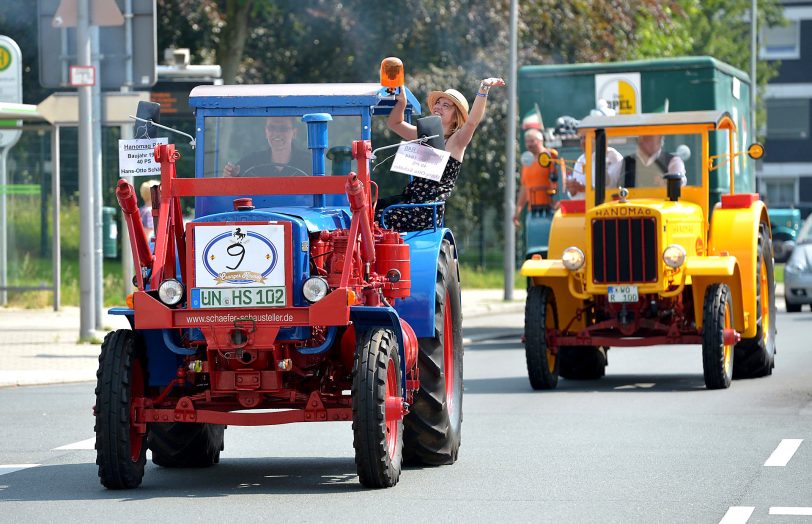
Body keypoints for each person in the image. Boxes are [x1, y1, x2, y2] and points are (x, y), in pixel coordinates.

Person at [378, 77, 506, 231]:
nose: (438, 107)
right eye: (438, 103)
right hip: (408, 200)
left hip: (425, 210)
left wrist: (484, 87)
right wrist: (402, 103)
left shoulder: (456, 140)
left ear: (455, 115)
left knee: (379, 218)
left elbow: (472, 122)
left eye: (446, 105)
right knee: (368, 210)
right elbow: (394, 123)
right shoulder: (425, 134)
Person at [223, 116, 311, 177]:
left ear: (294, 133)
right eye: (272, 128)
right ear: (266, 132)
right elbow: (232, 189)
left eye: (283, 128)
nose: (277, 134)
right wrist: (230, 175)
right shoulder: (251, 162)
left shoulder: (309, 163)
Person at [513, 128, 559, 227]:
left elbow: (559, 181)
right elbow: (524, 187)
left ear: (541, 141)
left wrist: (557, 202)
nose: (529, 144)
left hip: (551, 210)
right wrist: (518, 210)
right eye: (527, 142)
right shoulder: (527, 162)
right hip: (533, 210)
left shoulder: (551, 156)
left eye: (532, 141)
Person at [566, 134, 624, 200]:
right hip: (581, 207)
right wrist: (572, 190)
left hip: (604, 207)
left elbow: (609, 188)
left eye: (586, 137)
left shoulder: (612, 156)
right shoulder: (580, 160)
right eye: (581, 138)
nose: (583, 142)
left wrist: (583, 188)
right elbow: (575, 194)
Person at [621, 134, 686, 188]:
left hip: (662, 202)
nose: (649, 140)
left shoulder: (673, 161)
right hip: (631, 202)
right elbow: (614, 187)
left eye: (652, 136)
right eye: (645, 135)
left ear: (660, 138)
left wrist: (664, 182)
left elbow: (677, 187)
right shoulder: (625, 162)